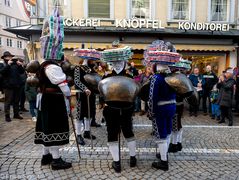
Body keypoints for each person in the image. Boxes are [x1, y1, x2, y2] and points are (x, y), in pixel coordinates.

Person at [34, 7, 72, 170]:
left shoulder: (43, 65)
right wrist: (69, 94)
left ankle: (46, 156)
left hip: (45, 99)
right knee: (54, 128)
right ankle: (56, 160)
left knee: (45, 128)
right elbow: (63, 85)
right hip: (53, 101)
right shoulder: (53, 67)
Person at [100, 45, 137, 173]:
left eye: (119, 62)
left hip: (123, 109)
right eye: (116, 62)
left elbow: (133, 94)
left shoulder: (128, 77)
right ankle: (119, 161)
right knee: (115, 133)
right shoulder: (107, 77)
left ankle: (130, 158)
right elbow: (102, 93)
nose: (117, 65)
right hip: (113, 109)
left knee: (126, 132)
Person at [74, 50, 100, 146]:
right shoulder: (78, 68)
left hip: (91, 94)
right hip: (82, 94)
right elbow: (77, 81)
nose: (93, 61)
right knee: (80, 114)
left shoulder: (92, 69)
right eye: (91, 60)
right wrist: (85, 89)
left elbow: (94, 81)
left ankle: (87, 131)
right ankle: (78, 135)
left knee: (90, 113)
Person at [0, 51, 25, 122]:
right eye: (8, 56)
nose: (9, 58)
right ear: (4, 58)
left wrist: (20, 65)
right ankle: (7, 116)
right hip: (8, 86)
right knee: (8, 101)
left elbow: (22, 72)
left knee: (16, 101)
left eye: (10, 56)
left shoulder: (15, 64)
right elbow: (2, 72)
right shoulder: (2, 64)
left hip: (17, 85)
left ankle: (16, 114)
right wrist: (8, 65)